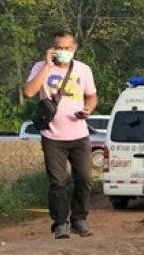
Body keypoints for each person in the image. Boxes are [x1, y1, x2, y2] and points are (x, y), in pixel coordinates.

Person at [24, 31, 98, 239]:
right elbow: (28, 92)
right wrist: (47, 66)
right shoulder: (41, 67)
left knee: (84, 178)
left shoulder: (83, 70)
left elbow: (92, 97)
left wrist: (88, 109)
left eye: (67, 48)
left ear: (74, 48)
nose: (63, 52)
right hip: (53, 136)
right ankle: (60, 223)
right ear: (52, 49)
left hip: (79, 134)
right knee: (58, 182)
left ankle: (79, 219)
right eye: (59, 48)